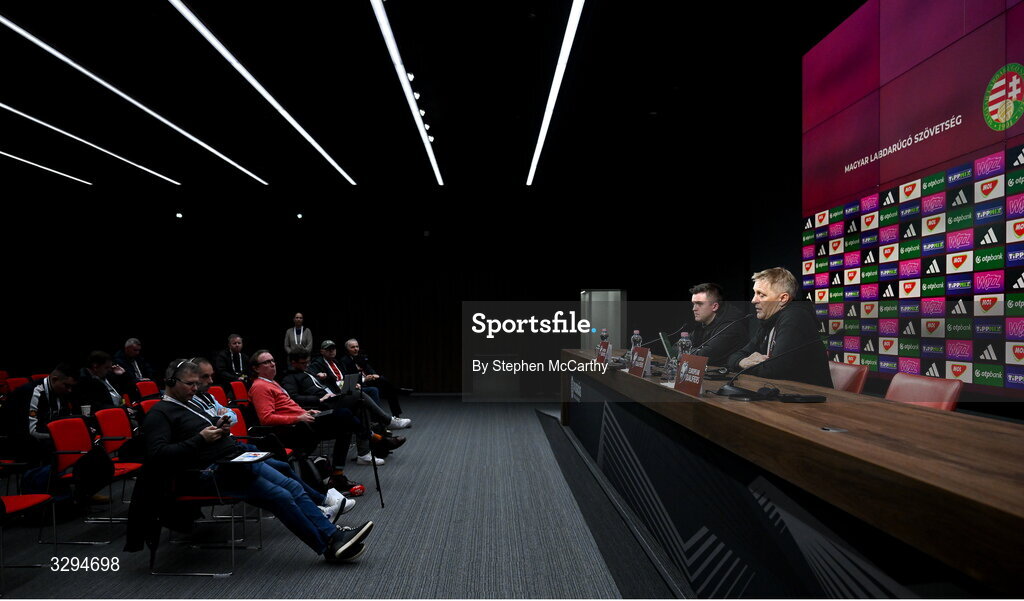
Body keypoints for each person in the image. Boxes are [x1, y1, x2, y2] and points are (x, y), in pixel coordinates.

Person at [143, 359, 371, 562]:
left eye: (196, 383)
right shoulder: (160, 413)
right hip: (210, 473)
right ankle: (328, 545)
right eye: (190, 384)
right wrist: (201, 439)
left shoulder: (191, 403)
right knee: (281, 496)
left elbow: (207, 427)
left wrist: (219, 428)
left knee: (291, 485)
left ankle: (334, 536)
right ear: (171, 381)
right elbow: (157, 455)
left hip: (234, 458)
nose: (196, 388)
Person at [249, 350, 398, 475]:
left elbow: (287, 407)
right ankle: (373, 436)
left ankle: (338, 475)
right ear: (256, 368)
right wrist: (298, 417)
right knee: (345, 414)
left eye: (272, 360)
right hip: (296, 429)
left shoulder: (272, 383)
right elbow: (266, 419)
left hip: (306, 417)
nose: (272, 364)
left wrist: (306, 411)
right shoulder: (260, 387)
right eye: (266, 362)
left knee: (349, 418)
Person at [281, 350, 405, 463]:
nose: (307, 365)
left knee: (360, 404)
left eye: (308, 362)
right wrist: (318, 399)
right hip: (322, 405)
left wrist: (328, 380)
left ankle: (364, 454)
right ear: (293, 363)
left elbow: (329, 383)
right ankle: (387, 421)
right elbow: (293, 398)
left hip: (333, 398)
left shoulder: (309, 371)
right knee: (358, 396)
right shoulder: (289, 378)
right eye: (303, 363)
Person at [727, 267, 832, 387]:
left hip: (811, 399)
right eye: (755, 293)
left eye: (761, 295)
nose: (753, 300)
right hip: (783, 394)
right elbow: (735, 357)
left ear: (783, 299)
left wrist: (745, 364)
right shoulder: (769, 320)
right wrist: (742, 361)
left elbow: (774, 370)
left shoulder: (796, 317)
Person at [312, 340, 409, 429]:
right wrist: (319, 375)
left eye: (333, 349)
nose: (331, 351)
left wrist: (353, 383)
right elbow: (313, 376)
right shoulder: (318, 364)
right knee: (366, 392)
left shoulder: (337, 362)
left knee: (377, 386)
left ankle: (379, 421)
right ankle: (385, 420)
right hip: (336, 394)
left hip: (347, 388)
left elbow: (348, 376)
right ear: (322, 351)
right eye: (328, 349)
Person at [338, 338, 406, 418]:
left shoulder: (360, 357)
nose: (356, 349)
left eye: (357, 346)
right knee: (378, 388)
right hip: (358, 384)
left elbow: (368, 368)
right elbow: (348, 378)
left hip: (368, 380)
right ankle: (379, 418)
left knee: (386, 384)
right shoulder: (344, 361)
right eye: (353, 347)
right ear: (347, 349)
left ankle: (396, 415)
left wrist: (374, 374)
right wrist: (364, 379)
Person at [687, 283, 750, 367]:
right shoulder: (703, 324)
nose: (694, 309)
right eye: (693, 304)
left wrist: (686, 350)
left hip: (733, 378)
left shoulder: (731, 327)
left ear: (715, 306)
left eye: (699, 304)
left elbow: (704, 356)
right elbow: (674, 348)